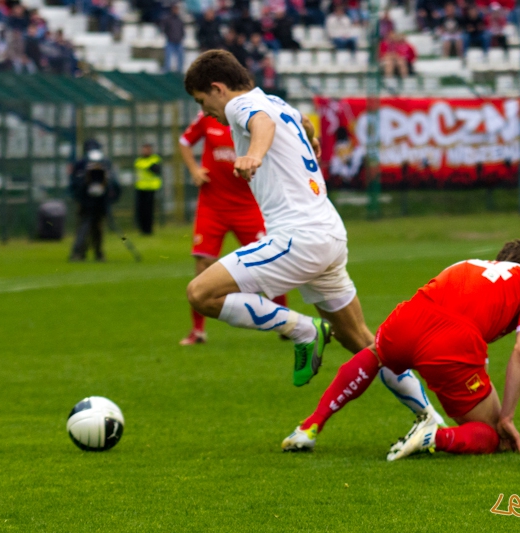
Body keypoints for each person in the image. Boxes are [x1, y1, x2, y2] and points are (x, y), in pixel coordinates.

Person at [181, 50, 447, 428]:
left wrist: (254, 155)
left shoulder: (243, 106)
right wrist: (310, 137)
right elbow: (298, 121)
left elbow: (260, 124)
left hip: (298, 238)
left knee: (200, 294)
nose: (206, 111)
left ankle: (305, 330)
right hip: (329, 234)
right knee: (363, 342)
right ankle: (431, 419)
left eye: (202, 102)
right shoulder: (275, 100)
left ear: (217, 88)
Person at [282, 240, 520, 460]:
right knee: (494, 435)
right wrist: (506, 416)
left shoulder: (468, 263)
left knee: (375, 354)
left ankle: (310, 426)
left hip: (412, 314)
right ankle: (434, 436)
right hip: (453, 340)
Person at [177, 109, 287, 345]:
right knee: (202, 263)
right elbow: (184, 142)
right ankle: (198, 331)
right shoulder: (206, 115)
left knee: (271, 263)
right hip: (212, 205)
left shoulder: (255, 120)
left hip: (248, 205)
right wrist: (194, 170)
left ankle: (285, 324)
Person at [68, 139, 121, 262]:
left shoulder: (82, 163)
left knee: (84, 227)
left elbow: (74, 183)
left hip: (89, 201)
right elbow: (113, 183)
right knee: (94, 227)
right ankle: (97, 253)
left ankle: (80, 253)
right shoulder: (105, 162)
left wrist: (78, 197)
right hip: (96, 201)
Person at [133, 143, 162, 235]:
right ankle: (142, 230)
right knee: (140, 210)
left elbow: (156, 169)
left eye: (148, 149)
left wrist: (147, 166)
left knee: (148, 211)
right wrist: (148, 166)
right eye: (144, 149)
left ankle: (148, 230)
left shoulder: (155, 159)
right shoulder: (139, 160)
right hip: (140, 188)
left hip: (151, 188)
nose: (146, 151)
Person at [160, 3, 185, 73]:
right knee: (168, 58)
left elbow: (182, 30)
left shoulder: (180, 20)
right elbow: (164, 29)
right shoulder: (168, 19)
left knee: (180, 58)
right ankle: (167, 71)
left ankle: (179, 71)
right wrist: (169, 36)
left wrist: (181, 37)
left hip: (178, 41)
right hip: (170, 41)